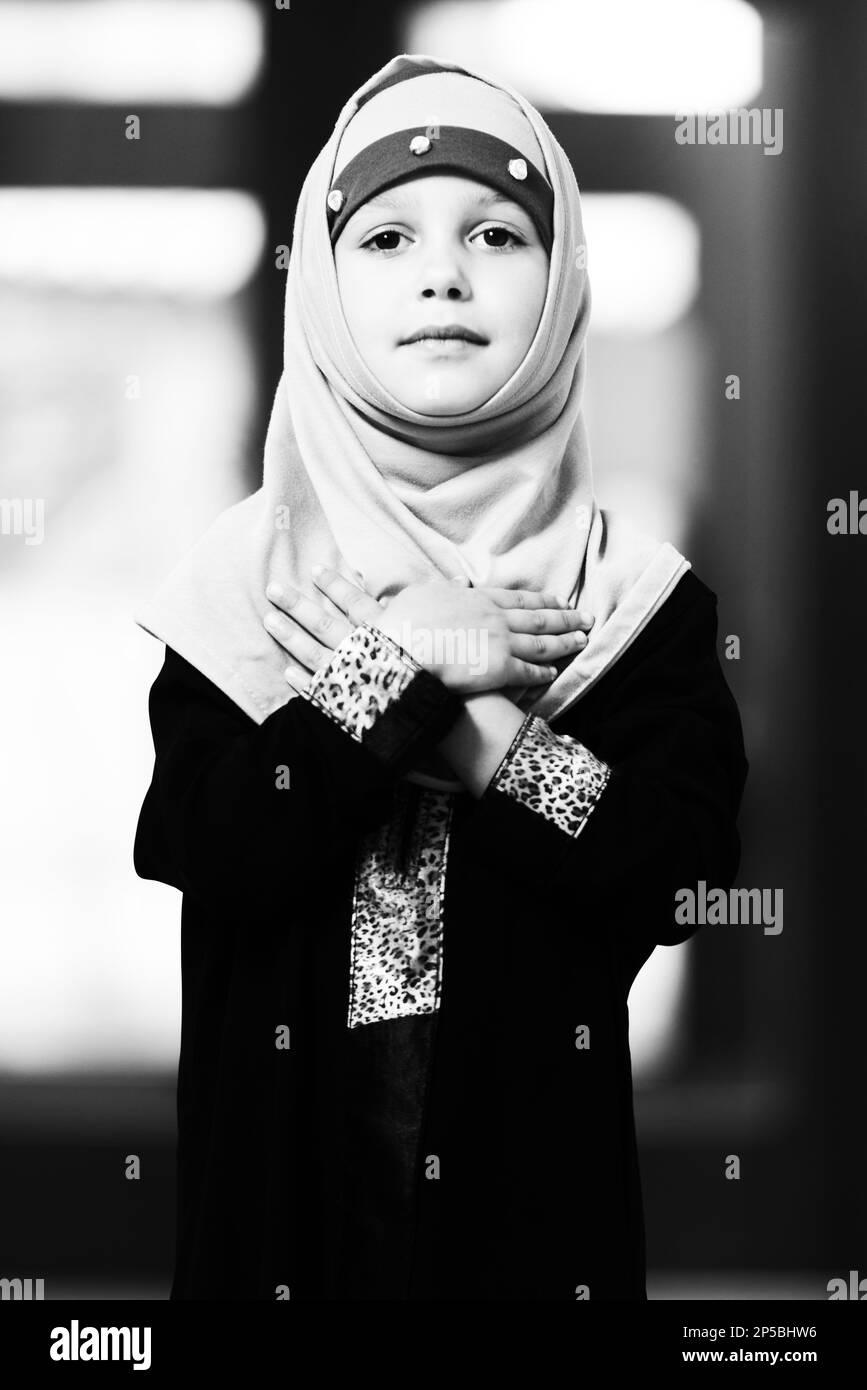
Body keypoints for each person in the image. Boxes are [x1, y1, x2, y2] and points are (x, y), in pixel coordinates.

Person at [133, 53, 748, 1301]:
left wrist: (484, 740)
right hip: (277, 1235)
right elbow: (209, 839)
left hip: (532, 1247)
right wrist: (395, 665)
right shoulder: (244, 585)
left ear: (565, 279)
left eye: (499, 233)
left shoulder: (632, 599)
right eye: (388, 237)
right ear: (323, 288)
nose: (443, 272)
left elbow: (677, 875)